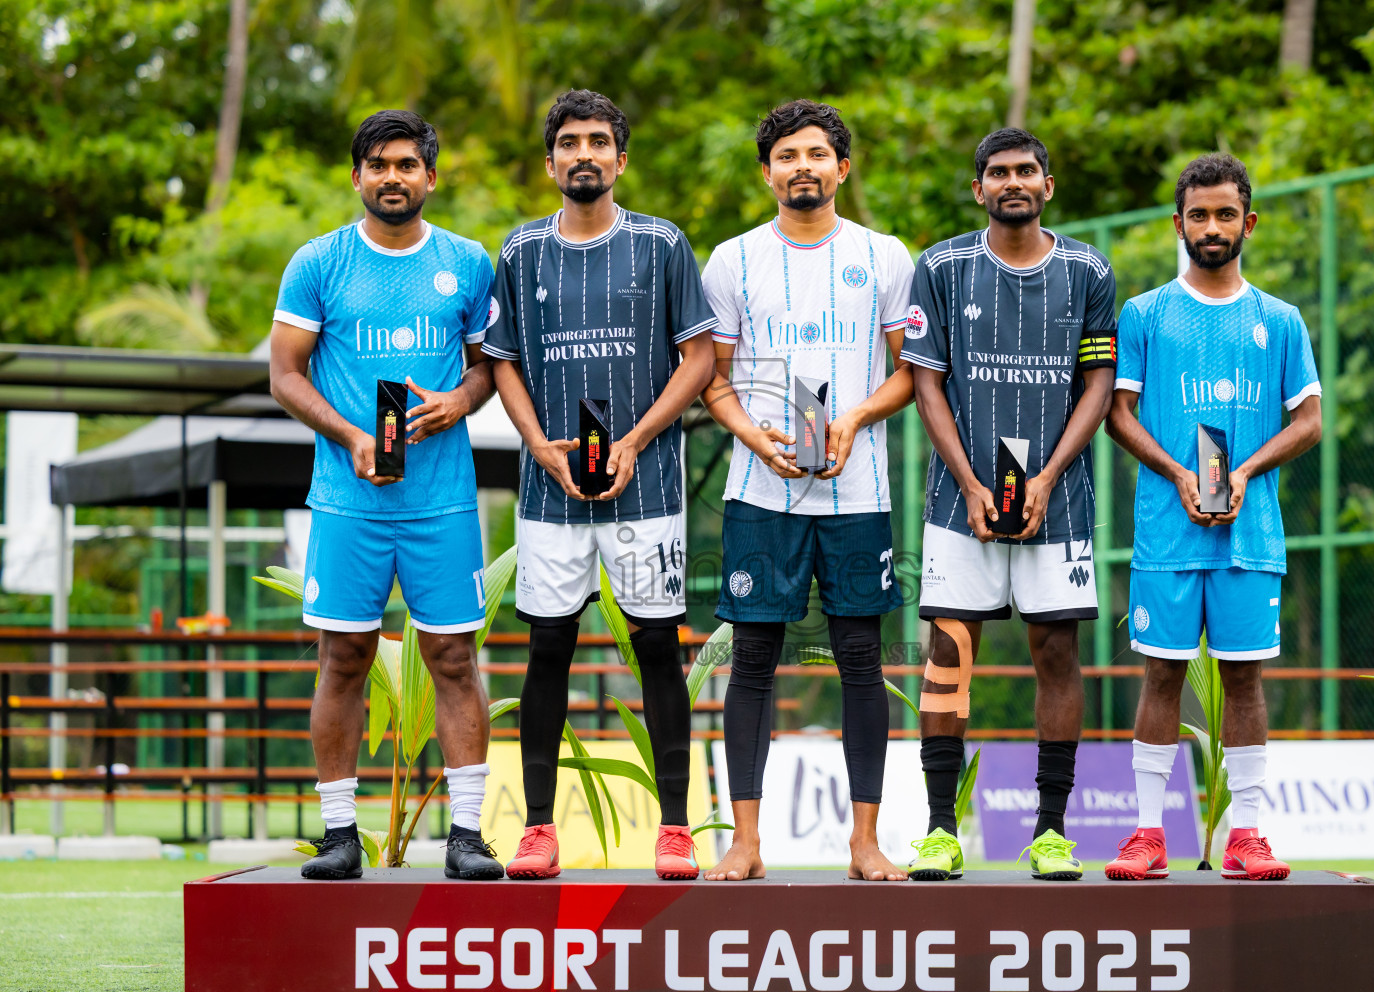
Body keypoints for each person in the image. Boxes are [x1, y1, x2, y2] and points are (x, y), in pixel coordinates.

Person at [483, 90, 717, 880]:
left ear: (621, 158)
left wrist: (637, 438)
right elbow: (502, 362)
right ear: (550, 162)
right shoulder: (519, 251)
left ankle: (677, 828)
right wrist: (539, 447)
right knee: (549, 646)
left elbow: (698, 358)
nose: (583, 153)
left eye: (598, 141)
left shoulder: (662, 244)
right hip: (550, 491)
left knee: (657, 648)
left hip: (647, 488)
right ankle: (538, 831)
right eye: (569, 142)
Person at [270, 110, 502, 880]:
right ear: (357, 176)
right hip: (348, 501)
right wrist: (352, 435)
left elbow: (487, 368)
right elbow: (285, 375)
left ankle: (465, 835)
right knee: (342, 657)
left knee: (453, 658)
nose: (392, 177)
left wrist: (456, 403)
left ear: (431, 177)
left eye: (407, 164)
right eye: (377, 165)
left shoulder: (468, 263)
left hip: (442, 500)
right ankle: (341, 835)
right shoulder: (319, 262)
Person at [700, 100, 915, 883]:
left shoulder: (885, 255)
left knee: (862, 662)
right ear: (766, 173)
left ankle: (865, 844)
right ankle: (746, 844)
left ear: (842, 168)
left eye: (817, 154)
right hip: (761, 493)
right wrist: (756, 438)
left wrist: (854, 416)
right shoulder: (731, 261)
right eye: (787, 155)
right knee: (752, 662)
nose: (803, 167)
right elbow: (713, 381)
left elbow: (911, 373)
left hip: (858, 495)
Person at [901, 128, 1117, 883]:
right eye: (998, 172)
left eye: (1026, 170)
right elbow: (928, 383)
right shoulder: (942, 266)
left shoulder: (1088, 269)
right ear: (979, 188)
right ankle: (938, 828)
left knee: (1055, 654)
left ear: (1048, 185)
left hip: (1058, 501)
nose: (1013, 181)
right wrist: (966, 480)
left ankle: (1051, 831)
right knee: (949, 654)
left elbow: (1096, 385)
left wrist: (1052, 474)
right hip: (960, 498)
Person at [1104, 153, 1321, 881]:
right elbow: (1117, 413)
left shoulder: (1280, 321)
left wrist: (1248, 471)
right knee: (1160, 676)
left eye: (1226, 213)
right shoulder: (1145, 313)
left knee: (1246, 681)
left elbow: (1311, 420)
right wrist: (1178, 473)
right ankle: (1146, 835)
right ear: (1178, 224)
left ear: (1248, 222)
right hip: (1168, 532)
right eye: (1198, 214)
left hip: (1249, 534)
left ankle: (1247, 836)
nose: (1212, 226)